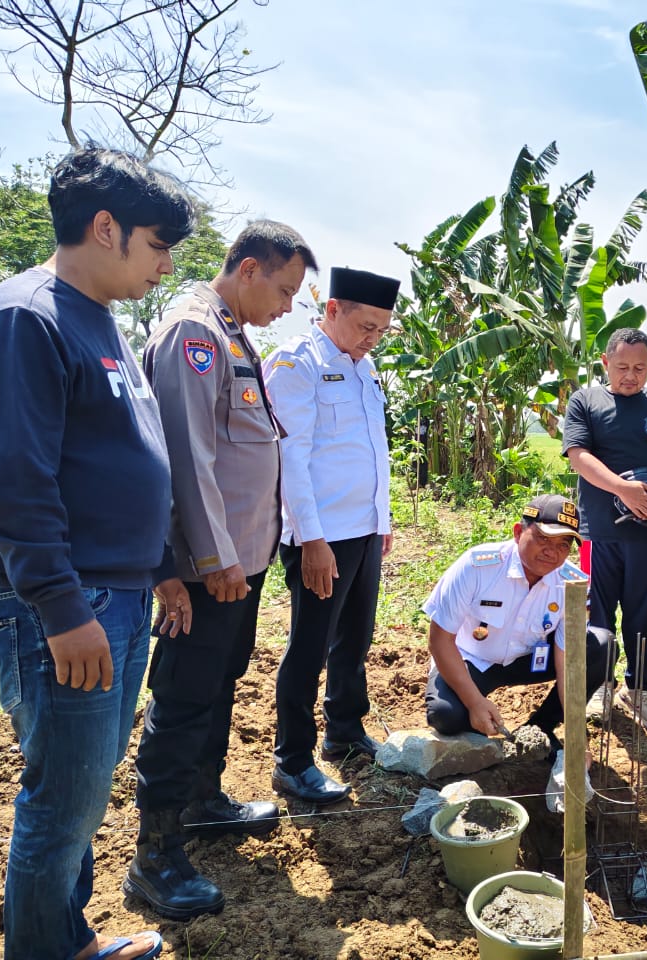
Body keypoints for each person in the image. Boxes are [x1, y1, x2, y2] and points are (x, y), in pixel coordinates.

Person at [0, 147, 196, 960]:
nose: (165, 265)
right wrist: (60, 609)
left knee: (83, 795)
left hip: (115, 597)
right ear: (105, 228)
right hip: (67, 606)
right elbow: (13, 484)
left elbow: (127, 453)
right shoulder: (26, 318)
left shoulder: (99, 319)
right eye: (158, 245)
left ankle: (69, 940)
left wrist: (159, 567)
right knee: (62, 803)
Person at [125, 221, 318, 920]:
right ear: (246, 269)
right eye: (285, 288)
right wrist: (210, 558)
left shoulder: (232, 336)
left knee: (216, 686)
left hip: (241, 563)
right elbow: (187, 456)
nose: (289, 305)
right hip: (214, 569)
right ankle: (155, 856)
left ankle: (204, 803)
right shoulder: (194, 334)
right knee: (181, 702)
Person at [263, 266, 400, 805]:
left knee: (355, 640)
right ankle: (292, 761)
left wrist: (381, 522)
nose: (371, 339)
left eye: (381, 331)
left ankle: (343, 729)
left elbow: (372, 451)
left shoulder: (362, 369)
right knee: (309, 648)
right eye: (365, 326)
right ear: (333, 309)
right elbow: (291, 457)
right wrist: (311, 540)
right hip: (322, 536)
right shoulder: (298, 364)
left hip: (363, 530)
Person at [563, 328, 647, 732]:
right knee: (597, 612)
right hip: (599, 529)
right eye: (622, 367)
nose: (630, 376)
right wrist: (623, 489)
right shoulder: (586, 401)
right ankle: (599, 685)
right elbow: (578, 456)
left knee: (644, 613)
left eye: (639, 367)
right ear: (605, 362)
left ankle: (640, 690)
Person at [424, 495, 611, 743]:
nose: (552, 552)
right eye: (543, 538)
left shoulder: (570, 583)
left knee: (601, 646)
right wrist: (476, 703)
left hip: (528, 659)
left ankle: (540, 727)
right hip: (471, 659)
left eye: (563, 545)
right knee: (447, 716)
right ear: (518, 532)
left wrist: (576, 738)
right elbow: (440, 641)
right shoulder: (476, 567)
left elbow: (569, 661)